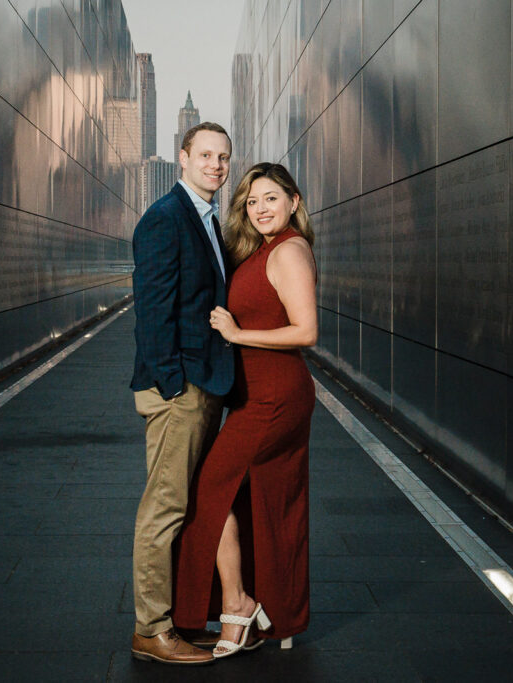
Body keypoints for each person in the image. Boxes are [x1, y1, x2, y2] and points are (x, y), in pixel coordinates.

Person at [173, 162, 317, 658]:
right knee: (265, 501)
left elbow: (305, 331)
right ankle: (276, 614)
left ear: (294, 202)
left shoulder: (291, 250)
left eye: (270, 199)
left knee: (211, 489)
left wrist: (237, 334)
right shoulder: (264, 249)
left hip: (276, 396)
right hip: (258, 394)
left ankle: (240, 605)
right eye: (252, 202)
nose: (260, 209)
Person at [129, 122, 235, 665]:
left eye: (223, 157)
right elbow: (152, 312)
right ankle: (151, 628)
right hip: (179, 390)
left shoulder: (208, 220)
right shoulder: (165, 218)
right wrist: (175, 385)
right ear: (183, 158)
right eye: (205, 155)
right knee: (165, 508)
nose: (215, 165)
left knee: (185, 502)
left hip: (202, 384)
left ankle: (173, 619)